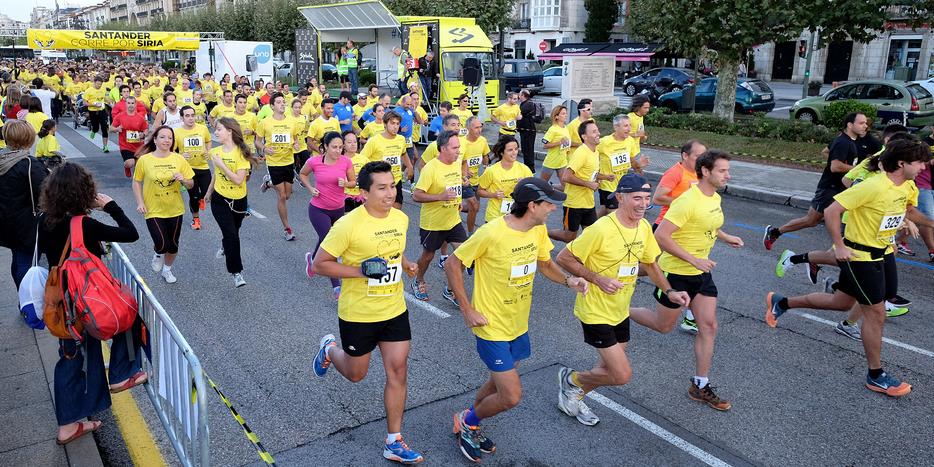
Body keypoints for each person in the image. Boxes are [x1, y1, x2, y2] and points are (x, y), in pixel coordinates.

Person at [766, 138, 934, 397]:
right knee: (876, 313)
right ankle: (875, 375)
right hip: (860, 256)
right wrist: (838, 245)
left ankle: (782, 302)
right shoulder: (874, 186)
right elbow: (833, 211)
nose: (925, 166)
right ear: (902, 163)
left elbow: (908, 211)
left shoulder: (907, 185)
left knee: (843, 302)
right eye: (920, 162)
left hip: (884, 253)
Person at [444, 177, 587, 462]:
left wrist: (569, 280)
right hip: (490, 324)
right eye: (548, 204)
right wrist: (466, 308)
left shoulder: (537, 230)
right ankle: (470, 422)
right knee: (511, 396)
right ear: (532, 205)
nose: (553, 209)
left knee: (500, 382)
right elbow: (453, 263)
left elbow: (545, 264)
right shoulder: (492, 232)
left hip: (518, 322)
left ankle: (469, 419)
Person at [554, 173, 690, 426]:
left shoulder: (644, 227)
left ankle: (573, 394)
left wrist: (669, 291)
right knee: (621, 374)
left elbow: (650, 263)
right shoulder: (601, 229)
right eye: (636, 198)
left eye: (647, 198)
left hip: (620, 309)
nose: (642, 204)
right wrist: (597, 279)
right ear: (620, 197)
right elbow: (564, 258)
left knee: (606, 369)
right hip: (595, 309)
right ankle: (571, 381)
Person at [311, 161, 424, 465]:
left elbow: (395, 252)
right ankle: (329, 349)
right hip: (358, 314)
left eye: (393, 186)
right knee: (356, 374)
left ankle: (394, 441)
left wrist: (407, 264)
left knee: (398, 370)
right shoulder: (347, 225)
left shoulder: (400, 219)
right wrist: (359, 271)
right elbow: (320, 264)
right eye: (382, 188)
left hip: (393, 309)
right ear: (363, 192)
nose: (391, 193)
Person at [36, 162, 143, 446]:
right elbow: (130, 233)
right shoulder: (83, 224)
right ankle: (122, 374)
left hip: (61, 303)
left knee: (74, 357)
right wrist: (111, 207)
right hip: (86, 302)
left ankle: (74, 420)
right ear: (85, 191)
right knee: (127, 317)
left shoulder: (44, 219)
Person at [630, 150, 743, 411]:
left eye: (728, 170)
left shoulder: (713, 197)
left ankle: (700, 384)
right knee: (663, 326)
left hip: (701, 274)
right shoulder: (686, 200)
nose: (728, 175)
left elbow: (709, 225)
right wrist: (693, 260)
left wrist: (725, 237)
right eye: (723, 170)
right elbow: (661, 237)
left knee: (709, 326)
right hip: (676, 273)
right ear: (705, 171)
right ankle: (619, 311)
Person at [764, 112, 870, 250]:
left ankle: (833, 255)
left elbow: (826, 152)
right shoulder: (843, 142)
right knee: (811, 220)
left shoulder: (847, 140)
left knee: (844, 221)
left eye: (866, 123)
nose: (866, 126)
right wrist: (858, 170)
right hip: (830, 188)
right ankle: (775, 232)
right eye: (861, 123)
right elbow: (835, 166)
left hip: (841, 189)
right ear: (850, 125)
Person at [410, 130, 469, 304]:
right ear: (443, 148)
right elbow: (416, 195)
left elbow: (453, 188)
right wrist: (440, 197)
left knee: (465, 254)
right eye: (455, 147)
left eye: (459, 147)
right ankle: (418, 280)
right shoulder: (431, 168)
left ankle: (450, 290)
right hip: (433, 223)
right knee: (428, 256)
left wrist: (457, 200)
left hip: (453, 220)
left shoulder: (456, 163)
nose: (459, 150)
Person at [132, 126, 195, 284]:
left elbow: (191, 184)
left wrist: (184, 180)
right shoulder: (145, 160)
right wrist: (140, 202)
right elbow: (136, 181)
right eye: (163, 137)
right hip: (153, 208)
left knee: (173, 245)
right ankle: (158, 253)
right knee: (161, 243)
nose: (167, 140)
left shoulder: (178, 159)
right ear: (155, 139)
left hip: (175, 208)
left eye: (170, 138)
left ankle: (167, 270)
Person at [300, 131, 356, 299]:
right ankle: (336, 286)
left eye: (340, 147)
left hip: (339, 209)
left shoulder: (346, 162)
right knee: (331, 244)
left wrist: (346, 183)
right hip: (318, 209)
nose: (338, 150)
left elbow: (354, 182)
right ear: (325, 147)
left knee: (326, 240)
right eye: (334, 147)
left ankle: (312, 259)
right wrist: (310, 189)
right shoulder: (314, 161)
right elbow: (302, 174)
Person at [206, 117, 257, 287]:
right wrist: (209, 192)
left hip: (239, 201)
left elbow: (238, 180)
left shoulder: (241, 153)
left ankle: (225, 245)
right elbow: (215, 174)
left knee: (233, 232)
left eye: (219, 129)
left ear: (229, 131)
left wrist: (222, 164)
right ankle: (236, 272)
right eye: (216, 129)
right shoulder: (215, 152)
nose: (216, 132)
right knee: (232, 236)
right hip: (219, 200)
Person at [0, 120, 47, 292]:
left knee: (17, 258)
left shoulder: (2, 158)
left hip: (4, 219)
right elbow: (46, 192)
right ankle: (29, 301)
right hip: (27, 222)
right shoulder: (28, 164)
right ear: (27, 139)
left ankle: (24, 298)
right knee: (26, 261)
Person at [548, 121, 610, 243]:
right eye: (594, 131)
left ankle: (580, 259)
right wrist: (589, 184)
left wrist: (604, 177)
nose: (598, 133)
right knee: (569, 237)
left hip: (588, 203)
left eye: (597, 130)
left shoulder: (595, 151)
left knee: (590, 237)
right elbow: (566, 176)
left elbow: (590, 173)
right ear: (584, 137)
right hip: (574, 204)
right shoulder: (581, 153)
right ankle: (542, 232)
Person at [255, 92, 302, 241]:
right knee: (281, 195)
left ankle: (268, 182)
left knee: (288, 195)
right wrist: (264, 149)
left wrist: (296, 143)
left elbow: (295, 139)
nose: (282, 104)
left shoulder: (291, 122)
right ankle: (287, 229)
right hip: (273, 162)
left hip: (288, 161)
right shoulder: (265, 122)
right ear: (272, 106)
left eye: (283, 102)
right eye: (279, 102)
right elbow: (257, 141)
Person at [360, 111, 411, 209]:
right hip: (379, 182)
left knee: (396, 209)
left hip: (395, 180)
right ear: (385, 124)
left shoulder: (401, 139)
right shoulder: (374, 141)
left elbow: (403, 153)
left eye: (397, 124)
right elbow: (361, 159)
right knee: (379, 210)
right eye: (392, 123)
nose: (395, 127)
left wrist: (410, 166)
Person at [173, 105, 213, 231]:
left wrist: (208, 150)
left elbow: (208, 141)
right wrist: (180, 155)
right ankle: (196, 219)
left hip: (203, 165)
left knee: (208, 192)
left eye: (192, 115)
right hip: (188, 169)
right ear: (182, 118)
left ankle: (201, 198)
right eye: (187, 116)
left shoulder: (202, 128)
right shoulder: (176, 132)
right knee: (194, 196)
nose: (191, 118)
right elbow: (171, 152)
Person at [478, 135, 532, 223]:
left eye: (516, 149)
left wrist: (524, 186)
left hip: (516, 216)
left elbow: (532, 192)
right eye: (510, 150)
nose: (514, 152)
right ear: (502, 152)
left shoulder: (524, 169)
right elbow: (480, 191)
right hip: (495, 217)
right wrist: (494, 195)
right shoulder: (491, 171)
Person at [595, 114, 640, 217]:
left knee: (604, 211)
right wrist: (597, 176)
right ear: (616, 127)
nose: (629, 129)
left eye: (629, 125)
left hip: (621, 184)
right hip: (607, 184)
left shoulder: (630, 141)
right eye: (625, 126)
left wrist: (638, 170)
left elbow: (631, 160)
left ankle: (589, 227)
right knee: (615, 215)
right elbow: (590, 155)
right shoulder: (604, 142)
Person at [110, 94, 149, 176]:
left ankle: (135, 183)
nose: (130, 105)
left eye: (132, 103)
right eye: (128, 103)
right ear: (125, 104)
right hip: (125, 146)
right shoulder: (120, 116)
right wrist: (117, 129)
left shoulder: (140, 117)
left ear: (135, 104)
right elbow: (111, 128)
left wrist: (143, 134)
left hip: (138, 145)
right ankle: (126, 166)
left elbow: (146, 130)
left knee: (138, 168)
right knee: (130, 163)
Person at [541, 105, 571, 190]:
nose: (566, 115)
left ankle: (552, 187)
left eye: (566, 113)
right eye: (563, 114)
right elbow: (545, 145)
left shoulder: (566, 128)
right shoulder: (553, 129)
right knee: (542, 185)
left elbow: (567, 144)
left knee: (565, 186)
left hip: (562, 162)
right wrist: (559, 142)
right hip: (551, 162)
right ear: (556, 116)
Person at [342, 130, 368, 212]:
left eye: (355, 142)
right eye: (349, 142)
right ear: (343, 145)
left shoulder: (364, 159)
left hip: (361, 197)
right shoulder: (338, 160)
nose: (353, 144)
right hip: (344, 197)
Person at [517, 89, 537, 171]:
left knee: (528, 149)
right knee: (525, 149)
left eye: (519, 95)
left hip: (528, 131)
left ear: (523, 96)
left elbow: (518, 113)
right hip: (525, 130)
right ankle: (528, 167)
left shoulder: (528, 104)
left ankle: (530, 169)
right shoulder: (525, 103)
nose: (518, 96)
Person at [627, 95, 650, 159]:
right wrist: (636, 134)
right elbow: (621, 133)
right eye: (645, 108)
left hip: (636, 150)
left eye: (648, 108)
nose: (647, 110)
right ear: (638, 107)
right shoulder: (629, 117)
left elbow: (639, 131)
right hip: (628, 150)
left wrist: (642, 136)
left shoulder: (641, 117)